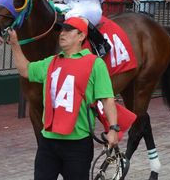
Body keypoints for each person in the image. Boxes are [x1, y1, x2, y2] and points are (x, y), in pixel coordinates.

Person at [7, 17, 118, 180]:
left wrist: (113, 129)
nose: (62, 34)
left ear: (81, 36)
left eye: (68, 30)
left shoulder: (95, 64)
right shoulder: (51, 62)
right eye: (61, 30)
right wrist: (15, 44)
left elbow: (107, 99)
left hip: (78, 143)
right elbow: (25, 69)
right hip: (48, 141)